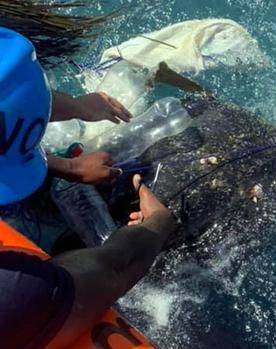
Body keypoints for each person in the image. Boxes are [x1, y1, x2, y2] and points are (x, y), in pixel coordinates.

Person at [0, 28, 176, 348]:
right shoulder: (14, 290)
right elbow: (113, 270)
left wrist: (79, 109)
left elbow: (8, 102)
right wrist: (156, 227)